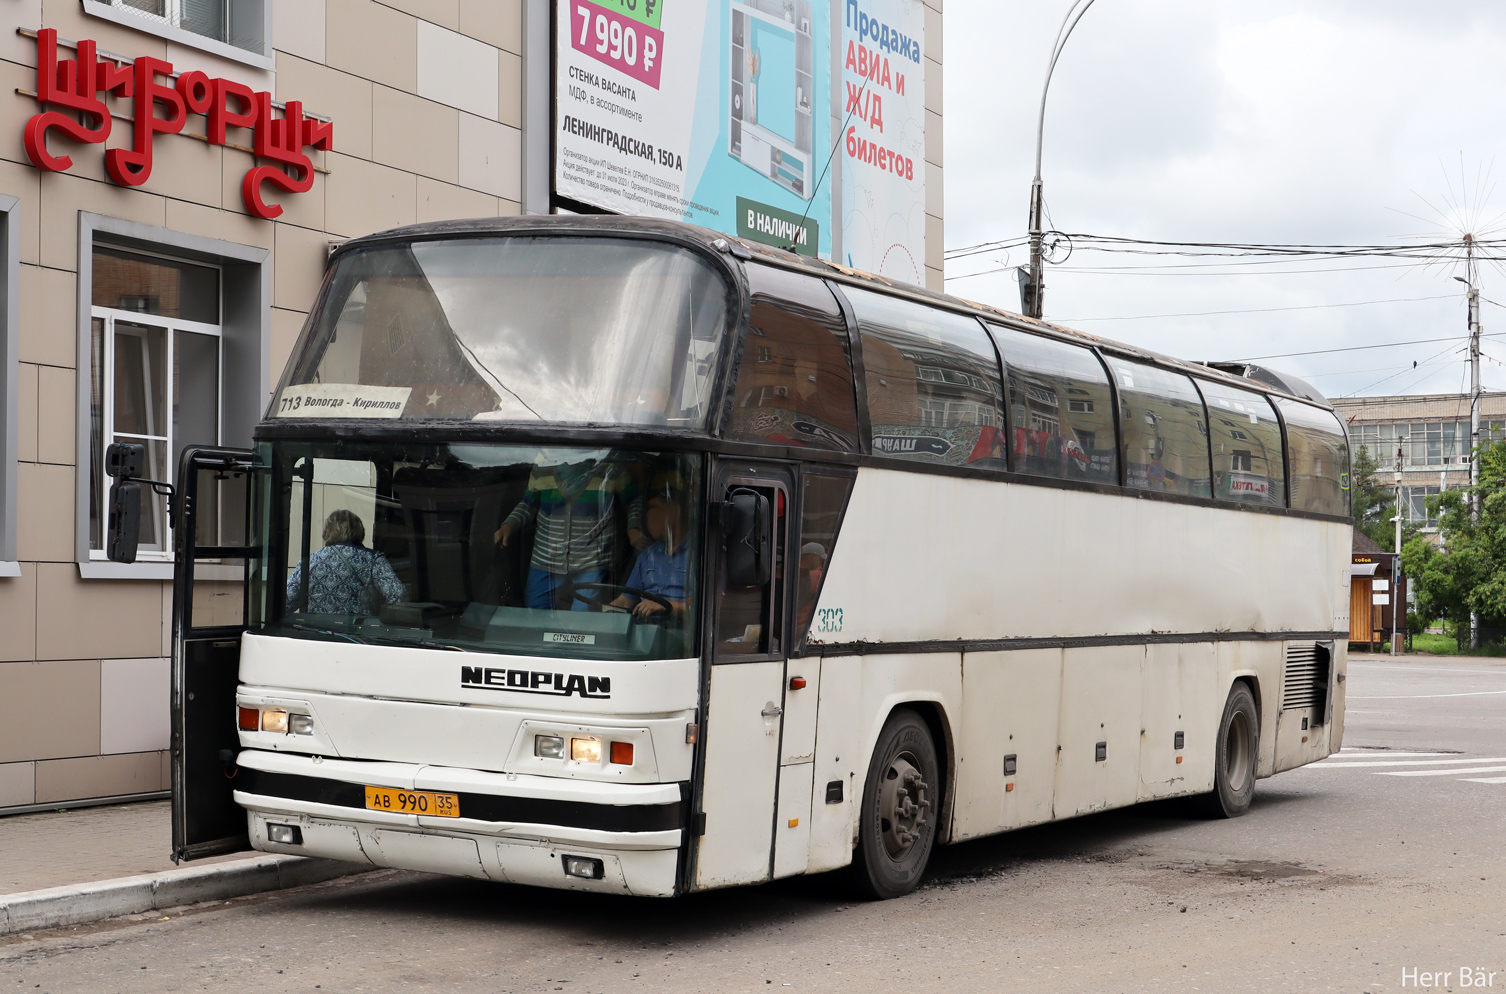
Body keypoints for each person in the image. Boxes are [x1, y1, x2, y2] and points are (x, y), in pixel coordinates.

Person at [495, 452, 644, 611]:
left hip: (592, 561)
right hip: (545, 559)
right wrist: (508, 525)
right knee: (535, 613)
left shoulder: (610, 467)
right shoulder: (542, 466)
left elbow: (634, 499)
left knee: (584, 616)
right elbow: (528, 505)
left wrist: (633, 527)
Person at [286, 509, 406, 615]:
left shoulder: (311, 561)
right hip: (358, 635)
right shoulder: (373, 559)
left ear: (327, 532)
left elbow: (287, 600)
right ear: (359, 531)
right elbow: (397, 594)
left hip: (317, 634)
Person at [612, 489, 690, 621]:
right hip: (645, 631)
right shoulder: (648, 554)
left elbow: (704, 610)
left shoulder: (703, 556)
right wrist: (598, 616)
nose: (648, 516)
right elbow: (625, 601)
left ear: (675, 513)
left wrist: (664, 606)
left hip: (681, 634)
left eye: (655, 511)